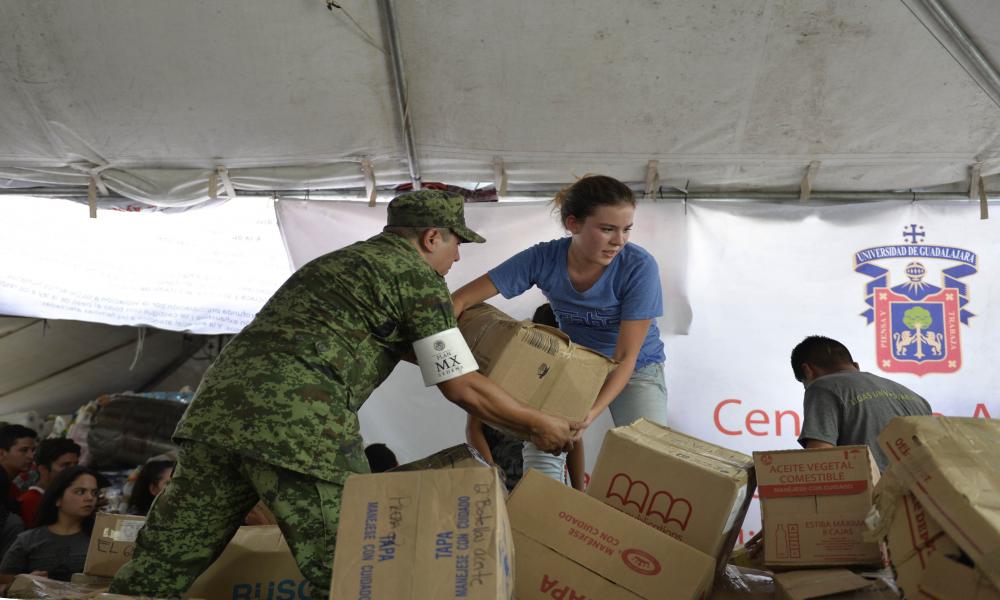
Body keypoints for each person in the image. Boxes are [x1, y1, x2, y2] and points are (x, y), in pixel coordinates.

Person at [109, 190, 580, 599]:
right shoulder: (416, 279)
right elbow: (457, 383)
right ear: (431, 237)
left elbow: (430, 356)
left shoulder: (337, 265)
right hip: (297, 425)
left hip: (218, 415)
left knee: (164, 559)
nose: (456, 259)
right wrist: (537, 422)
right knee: (356, 565)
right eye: (456, 244)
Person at [452, 175, 667, 483]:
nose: (619, 240)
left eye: (626, 229)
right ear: (573, 224)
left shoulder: (639, 266)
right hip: (575, 366)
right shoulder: (543, 257)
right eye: (607, 229)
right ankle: (543, 519)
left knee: (651, 461)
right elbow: (460, 300)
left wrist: (589, 414)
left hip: (637, 369)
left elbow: (625, 356)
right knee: (542, 453)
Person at [465, 303, 586, 490]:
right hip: (502, 475)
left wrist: (579, 491)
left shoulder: (566, 382)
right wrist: (491, 472)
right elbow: (474, 428)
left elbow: (574, 439)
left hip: (544, 482)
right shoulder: (502, 367)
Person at [791, 335, 933, 472]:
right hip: (924, 494)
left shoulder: (822, 387)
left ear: (807, 371)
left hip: (871, 495)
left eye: (804, 383)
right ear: (855, 366)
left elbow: (819, 459)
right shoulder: (916, 398)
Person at [0, 466, 99, 582]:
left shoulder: (100, 540)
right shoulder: (28, 540)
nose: (90, 498)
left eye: (94, 493)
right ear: (58, 499)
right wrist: (23, 579)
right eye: (80, 492)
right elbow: (3, 581)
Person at [18, 439, 80, 528]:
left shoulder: (65, 497)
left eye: (76, 465)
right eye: (65, 466)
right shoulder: (30, 502)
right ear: (43, 469)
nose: (74, 471)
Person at [0, 425, 37, 504]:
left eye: (33, 450)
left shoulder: (11, 487)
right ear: (1, 454)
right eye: (24, 450)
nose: (31, 456)